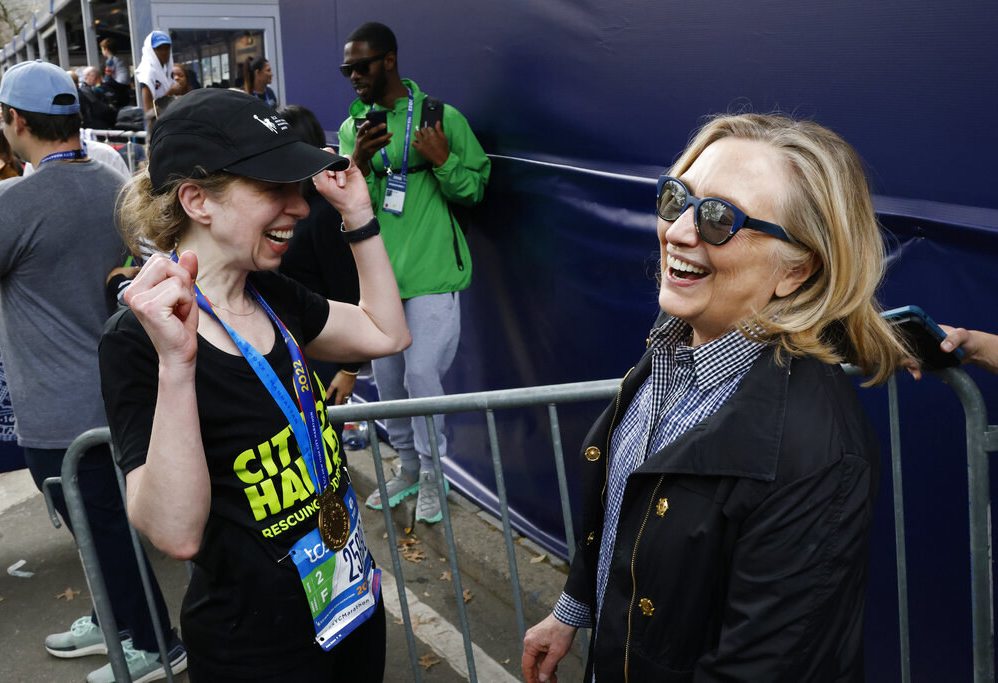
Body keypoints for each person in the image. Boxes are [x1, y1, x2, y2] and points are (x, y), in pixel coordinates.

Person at [521, 113, 911, 682]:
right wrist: (571, 611)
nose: (678, 231)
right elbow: (625, 518)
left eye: (718, 218)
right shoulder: (672, 347)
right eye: (678, 198)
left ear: (796, 271)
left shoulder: (820, 457)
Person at [98, 88, 410, 681]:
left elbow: (385, 333)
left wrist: (360, 217)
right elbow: (175, 532)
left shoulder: (271, 293)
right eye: (274, 187)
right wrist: (177, 363)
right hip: (256, 653)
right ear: (197, 200)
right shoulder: (136, 339)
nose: (298, 206)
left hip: (350, 613)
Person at [0, 59, 185, 683]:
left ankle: (153, 640)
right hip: (115, 389)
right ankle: (116, 618)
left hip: (58, 409)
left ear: (15, 122)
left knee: (102, 523)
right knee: (102, 520)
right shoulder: (113, 177)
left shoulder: (14, 199)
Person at [338, 21, 491, 523]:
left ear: (389, 60)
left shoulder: (440, 118)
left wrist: (444, 161)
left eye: (361, 66)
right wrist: (357, 161)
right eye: (347, 69)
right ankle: (406, 465)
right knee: (387, 378)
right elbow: (344, 200)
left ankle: (431, 472)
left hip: (433, 273)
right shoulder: (352, 126)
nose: (354, 76)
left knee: (421, 372)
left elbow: (475, 189)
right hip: (381, 278)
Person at [278, 104, 363, 406]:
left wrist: (349, 369)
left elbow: (349, 291)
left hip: (324, 358)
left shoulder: (325, 213)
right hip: (289, 351)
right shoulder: (287, 205)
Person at [134, 30, 179, 127]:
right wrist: (171, 92)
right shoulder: (148, 72)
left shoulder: (166, 71)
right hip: (157, 129)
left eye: (167, 48)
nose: (164, 52)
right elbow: (149, 111)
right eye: (159, 48)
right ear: (150, 50)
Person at [100, 37, 131, 108]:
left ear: (106, 49)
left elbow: (108, 76)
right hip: (124, 85)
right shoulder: (117, 59)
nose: (102, 51)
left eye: (102, 49)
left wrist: (103, 84)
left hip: (119, 85)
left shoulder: (110, 60)